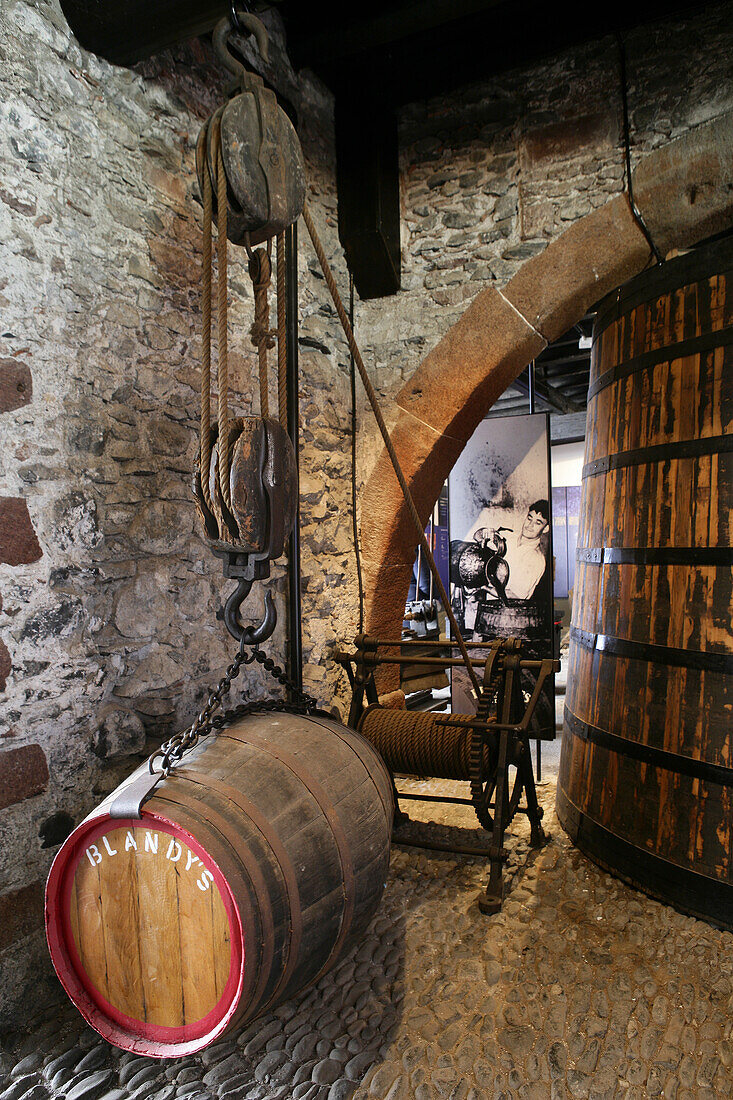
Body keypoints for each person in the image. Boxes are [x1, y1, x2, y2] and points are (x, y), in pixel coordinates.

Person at [470, 499, 550, 602]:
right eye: (529, 519)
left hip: (508, 614)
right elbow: (476, 538)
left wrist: (483, 587)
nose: (530, 525)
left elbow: (515, 595)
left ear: (546, 528)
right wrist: (485, 532)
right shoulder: (508, 537)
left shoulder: (536, 559)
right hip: (485, 606)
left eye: (538, 523)